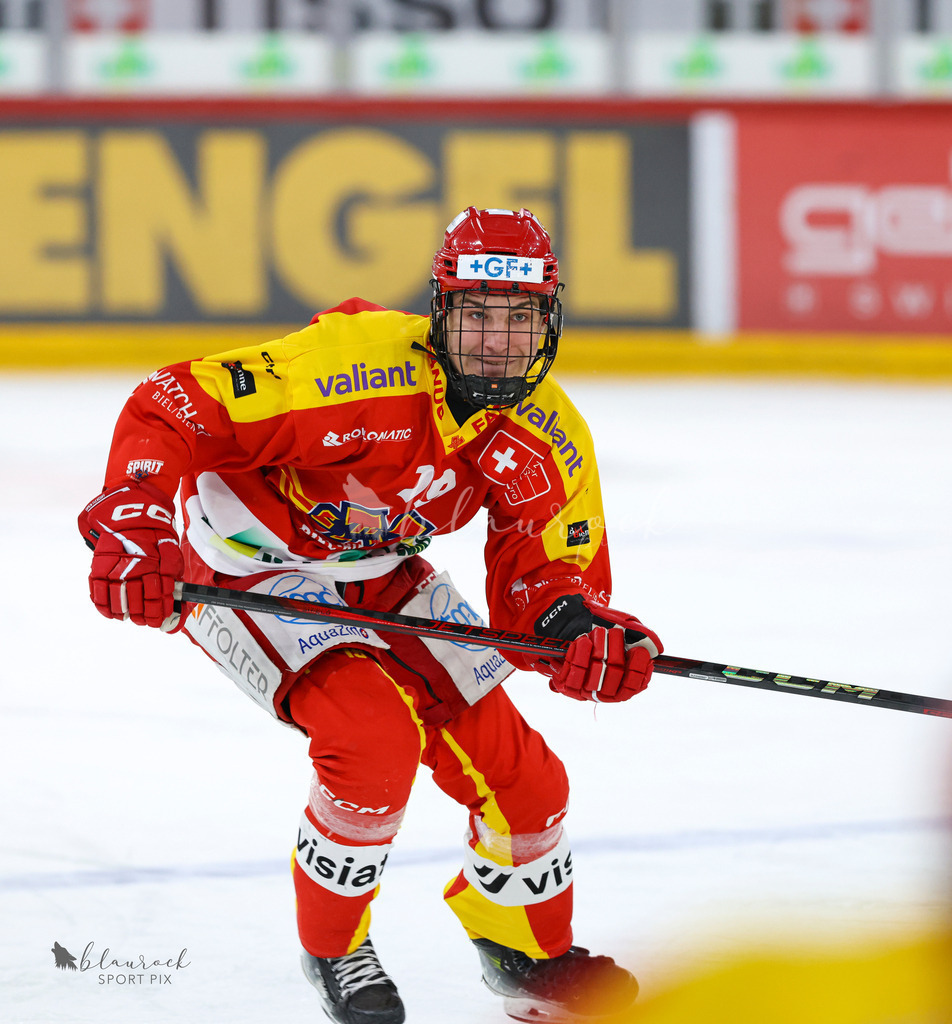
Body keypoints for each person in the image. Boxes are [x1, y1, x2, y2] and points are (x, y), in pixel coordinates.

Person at [77, 207, 663, 1024]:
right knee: (371, 741)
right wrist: (137, 523)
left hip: (380, 571)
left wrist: (576, 631)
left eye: (519, 318)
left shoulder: (546, 433)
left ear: (549, 320)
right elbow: (172, 402)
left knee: (527, 779)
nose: (496, 340)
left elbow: (544, 577)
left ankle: (523, 949)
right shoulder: (348, 368)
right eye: (476, 316)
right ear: (440, 312)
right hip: (253, 565)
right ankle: (335, 948)